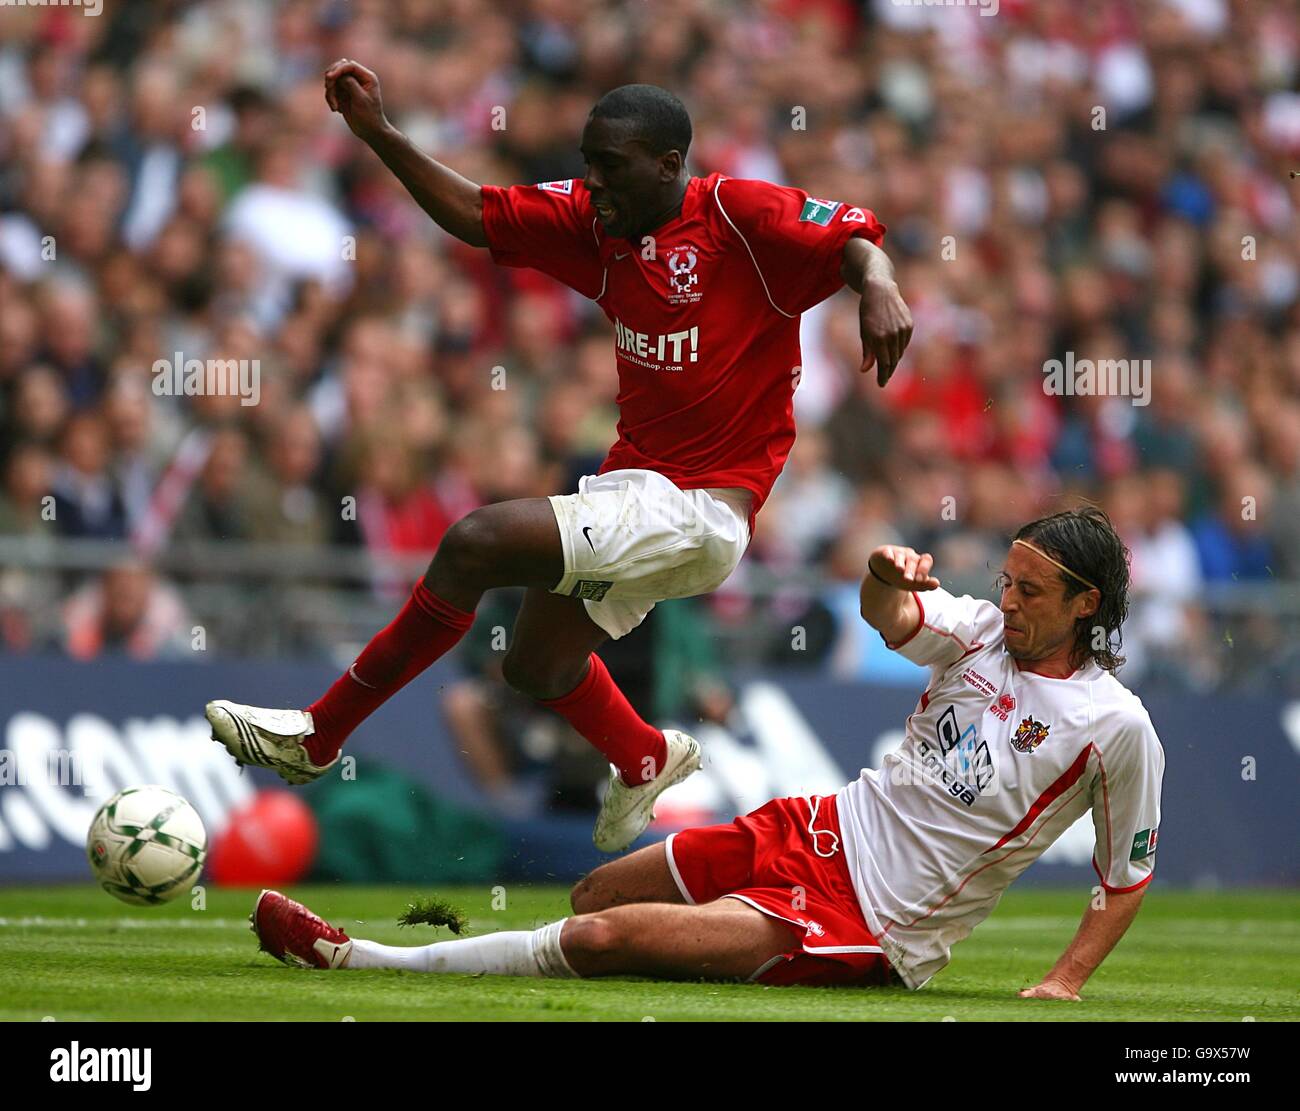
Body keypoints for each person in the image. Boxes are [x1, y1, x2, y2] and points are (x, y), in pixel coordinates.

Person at [205, 60, 914, 852]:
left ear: (668, 165)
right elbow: (475, 213)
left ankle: (319, 734)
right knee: (535, 665)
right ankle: (646, 756)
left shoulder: (740, 217)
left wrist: (879, 285)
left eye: (610, 166)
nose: (593, 181)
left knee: (474, 542)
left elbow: (856, 235)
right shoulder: (593, 222)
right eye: (588, 162)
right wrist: (379, 134)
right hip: (633, 488)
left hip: (704, 508)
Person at [249, 508, 1165, 997]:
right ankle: (677, 952)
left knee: (603, 939)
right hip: (814, 826)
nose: (1006, 599)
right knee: (592, 897)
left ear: (1086, 603)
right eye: (1004, 578)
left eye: (1030, 589)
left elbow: (1124, 876)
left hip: (869, 920)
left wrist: (1063, 981)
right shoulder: (974, 632)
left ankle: (363, 961)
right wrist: (884, 575)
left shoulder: (1113, 726)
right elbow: (888, 617)